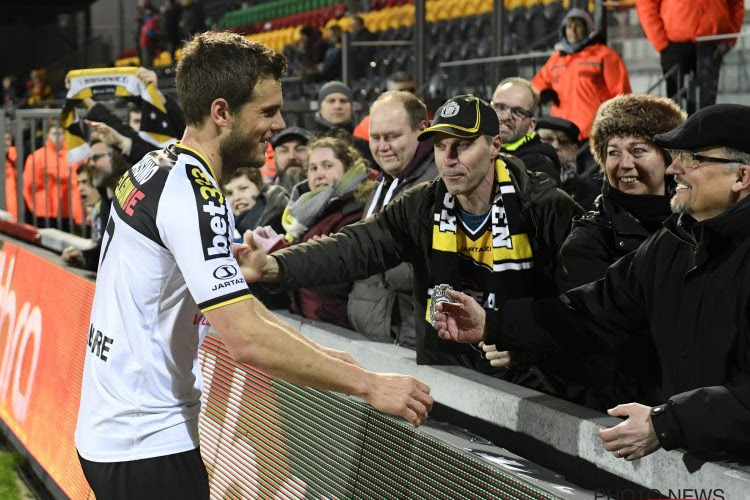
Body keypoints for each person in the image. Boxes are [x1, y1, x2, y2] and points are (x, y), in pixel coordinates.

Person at [74, 31, 433, 500]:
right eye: (267, 111)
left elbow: (235, 303)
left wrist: (329, 359)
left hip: (117, 428)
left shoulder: (158, 168)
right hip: (144, 441)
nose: (279, 122)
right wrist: (366, 385)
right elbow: (243, 336)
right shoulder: (193, 195)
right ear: (221, 112)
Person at [434, 103, 750, 461]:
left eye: (692, 159)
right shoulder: (675, 241)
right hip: (694, 469)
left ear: (741, 177)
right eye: (676, 155)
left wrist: (670, 421)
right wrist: (494, 324)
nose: (675, 167)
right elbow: (592, 312)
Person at [243, 95, 582, 392]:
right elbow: (353, 247)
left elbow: (581, 307)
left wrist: (520, 339)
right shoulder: (422, 205)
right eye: (439, 146)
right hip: (452, 376)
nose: (447, 158)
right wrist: (275, 265)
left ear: (494, 146)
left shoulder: (544, 207)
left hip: (533, 388)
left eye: (462, 145)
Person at [254, 134, 374, 329]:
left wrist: (278, 253)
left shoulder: (356, 211)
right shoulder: (305, 211)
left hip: (338, 325)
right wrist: (279, 249)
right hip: (309, 320)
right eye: (313, 168)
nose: (319, 174)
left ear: (348, 168)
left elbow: (339, 280)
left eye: (328, 166)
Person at [348, 90, 438, 348]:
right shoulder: (387, 179)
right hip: (380, 335)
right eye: (375, 138)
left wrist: (367, 255)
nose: (382, 146)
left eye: (392, 137)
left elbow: (431, 268)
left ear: (423, 129)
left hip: (413, 340)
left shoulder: (436, 183)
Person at [532, 8, 631, 140]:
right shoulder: (556, 58)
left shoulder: (605, 55)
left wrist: (618, 126)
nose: (572, 31)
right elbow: (536, 84)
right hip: (562, 135)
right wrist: (544, 92)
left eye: (578, 26)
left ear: (588, 29)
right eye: (569, 26)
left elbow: (621, 93)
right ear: (563, 30)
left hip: (596, 134)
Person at [636, 0, 744, 112]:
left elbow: (736, 3)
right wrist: (660, 41)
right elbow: (646, 3)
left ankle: (704, 128)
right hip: (674, 44)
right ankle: (680, 129)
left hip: (712, 40)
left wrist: (731, 34)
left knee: (707, 103)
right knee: (676, 105)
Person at [491, 77, 561, 184]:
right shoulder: (474, 148)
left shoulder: (541, 166)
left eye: (518, 112)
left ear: (531, 125)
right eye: (500, 107)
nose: (506, 117)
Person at [22, 125, 84, 230]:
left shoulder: (74, 154)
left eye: (60, 134)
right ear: (48, 136)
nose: (58, 137)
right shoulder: (37, 157)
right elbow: (28, 185)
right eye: (54, 134)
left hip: (69, 210)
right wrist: (35, 208)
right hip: (44, 211)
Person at [535, 116, 599, 210]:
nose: (555, 146)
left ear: (574, 150)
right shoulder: (520, 183)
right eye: (547, 139)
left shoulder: (592, 197)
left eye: (564, 142)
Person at [313, 80, 372, 164]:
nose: (338, 106)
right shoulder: (306, 144)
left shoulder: (366, 147)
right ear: (320, 107)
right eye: (331, 101)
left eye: (343, 101)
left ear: (351, 107)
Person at [61, 163, 106, 269]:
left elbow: (108, 250)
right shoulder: (96, 211)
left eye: (85, 182)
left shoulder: (108, 210)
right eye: (78, 183)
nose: (80, 188)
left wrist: (84, 257)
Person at [223, 166, 288, 236]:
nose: (236, 198)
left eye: (243, 188)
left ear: (259, 187)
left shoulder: (279, 217)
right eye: (229, 193)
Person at [270, 126, 310, 193]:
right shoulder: (263, 198)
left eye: (300, 149)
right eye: (284, 151)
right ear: (274, 157)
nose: (292, 156)